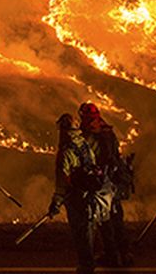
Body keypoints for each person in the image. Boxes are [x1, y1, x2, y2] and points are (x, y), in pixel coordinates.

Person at [78, 102, 133, 267]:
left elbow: (90, 157)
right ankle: (125, 254)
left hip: (102, 184)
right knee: (117, 219)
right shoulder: (108, 132)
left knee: (105, 221)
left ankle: (112, 256)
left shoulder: (91, 134)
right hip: (113, 182)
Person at [49, 113, 103, 274]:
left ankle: (86, 264)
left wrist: (56, 202)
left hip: (75, 196)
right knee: (88, 228)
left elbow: (61, 181)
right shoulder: (83, 144)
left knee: (80, 231)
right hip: (89, 194)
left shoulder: (65, 152)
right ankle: (91, 260)